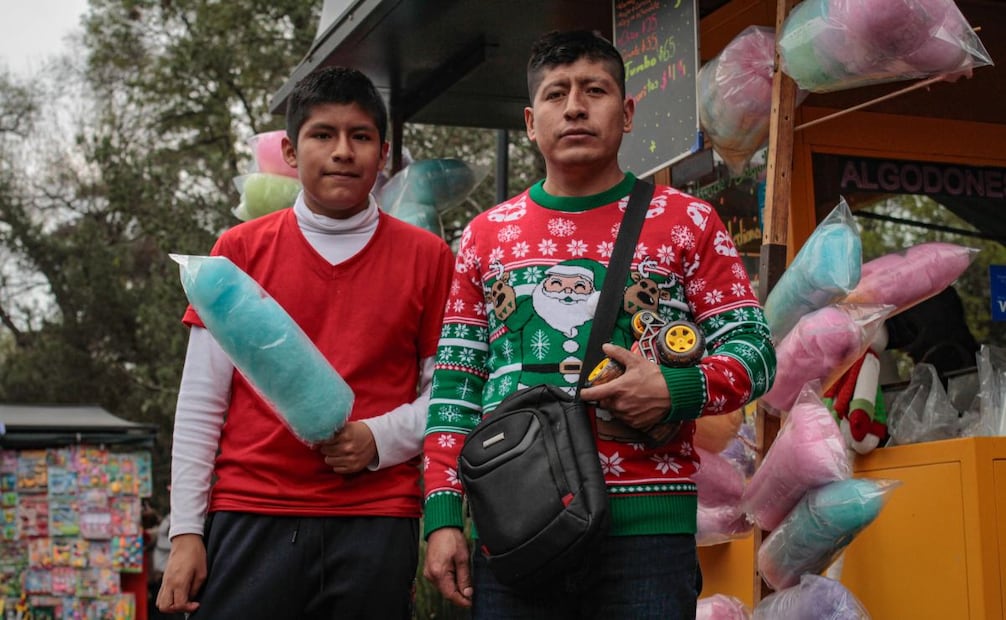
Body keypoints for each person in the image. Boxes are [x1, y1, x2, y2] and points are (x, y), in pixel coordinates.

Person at [421, 30, 776, 619]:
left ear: (628, 113)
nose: (576, 107)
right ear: (531, 123)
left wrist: (675, 389)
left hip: (646, 536)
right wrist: (442, 516)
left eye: (595, 90)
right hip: (515, 524)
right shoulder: (485, 235)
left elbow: (755, 350)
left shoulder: (688, 221)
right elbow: (457, 385)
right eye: (556, 94)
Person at [156, 66, 455, 620]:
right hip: (251, 510)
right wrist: (186, 533)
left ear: (383, 153)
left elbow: (449, 396)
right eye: (323, 134)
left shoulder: (429, 258)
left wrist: (378, 438)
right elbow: (200, 402)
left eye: (360, 136)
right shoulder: (237, 253)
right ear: (291, 153)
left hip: (377, 516)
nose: (342, 151)